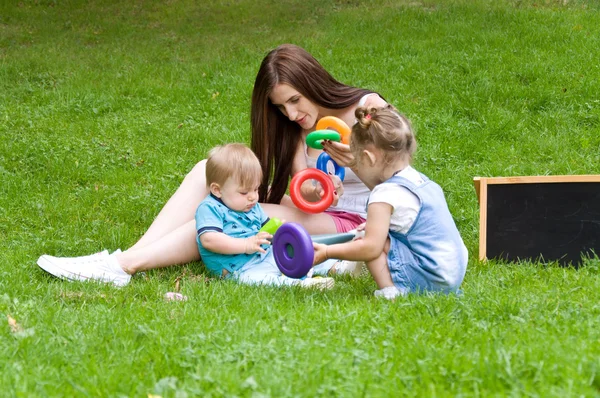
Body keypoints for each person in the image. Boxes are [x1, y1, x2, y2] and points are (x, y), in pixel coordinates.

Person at [36, 44, 388, 286]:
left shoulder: (368, 107)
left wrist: (356, 159)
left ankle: (124, 265)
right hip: (314, 212)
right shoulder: (300, 128)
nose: (292, 114)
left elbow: (399, 175)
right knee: (207, 170)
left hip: (356, 218)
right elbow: (305, 188)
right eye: (282, 108)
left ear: (313, 82)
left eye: (295, 100)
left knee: (218, 215)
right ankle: (129, 255)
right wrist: (313, 189)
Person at [312, 106, 468, 299]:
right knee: (370, 231)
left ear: (368, 157)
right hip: (452, 273)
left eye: (357, 160)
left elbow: (371, 248)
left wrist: (327, 252)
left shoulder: (383, 194)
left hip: (431, 279)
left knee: (365, 240)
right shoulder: (421, 182)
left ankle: (392, 291)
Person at [195, 143, 334, 289]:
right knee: (261, 280)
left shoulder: (252, 206)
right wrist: (246, 245)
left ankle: (337, 266)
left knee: (298, 254)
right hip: (238, 268)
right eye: (244, 192)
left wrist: (280, 232)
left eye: (256, 189)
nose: (253, 197)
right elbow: (209, 240)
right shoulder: (209, 208)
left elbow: (267, 233)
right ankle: (303, 285)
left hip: (264, 255)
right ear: (217, 190)